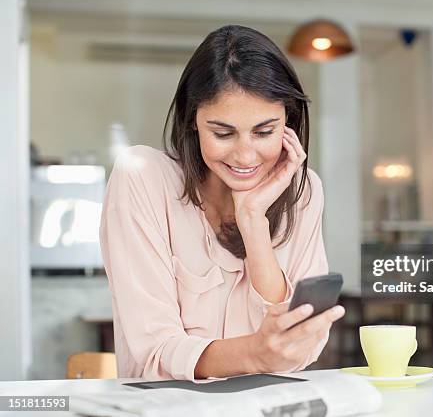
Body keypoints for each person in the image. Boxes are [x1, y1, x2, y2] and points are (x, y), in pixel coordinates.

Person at [99, 25, 345, 381]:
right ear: (193, 122)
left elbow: (298, 345)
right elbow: (153, 352)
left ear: (287, 124)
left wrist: (253, 221)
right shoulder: (143, 177)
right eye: (223, 133)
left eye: (264, 132)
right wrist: (257, 354)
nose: (245, 156)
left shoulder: (303, 193)